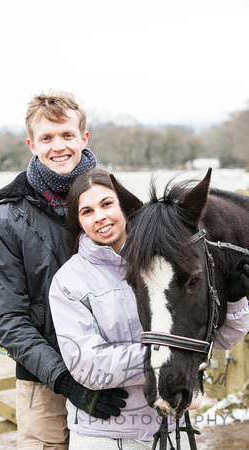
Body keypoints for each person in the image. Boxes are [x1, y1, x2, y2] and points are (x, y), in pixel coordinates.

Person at [49, 168, 249, 450]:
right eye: (87, 211)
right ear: (78, 221)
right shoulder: (68, 281)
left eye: (107, 204)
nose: (100, 217)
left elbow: (222, 340)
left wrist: (236, 300)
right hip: (106, 435)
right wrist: (171, 357)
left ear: (125, 206)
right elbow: (87, 365)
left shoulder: (163, 265)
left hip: (173, 429)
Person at [0, 92, 127, 449]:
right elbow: (7, 320)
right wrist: (65, 381)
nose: (57, 146)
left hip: (116, 372)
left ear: (83, 138)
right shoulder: (6, 216)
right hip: (45, 385)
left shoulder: (114, 200)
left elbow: (152, 275)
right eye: (46, 138)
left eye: (66, 135)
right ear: (32, 144)